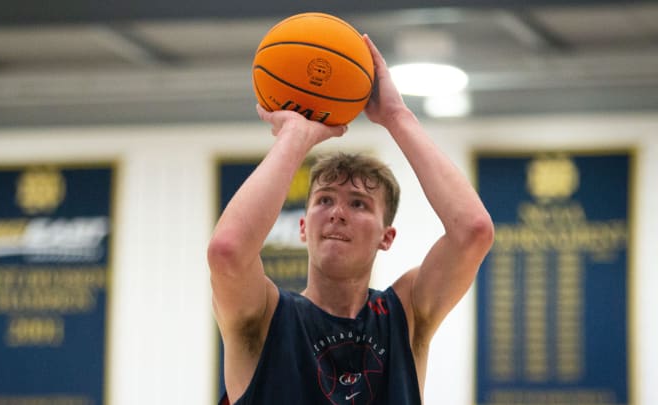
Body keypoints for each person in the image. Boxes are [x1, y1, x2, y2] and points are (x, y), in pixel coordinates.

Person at [208, 34, 494, 405]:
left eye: (358, 204)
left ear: (386, 237)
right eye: (324, 200)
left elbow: (473, 231)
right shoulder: (263, 316)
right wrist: (294, 137)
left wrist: (396, 117)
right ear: (302, 226)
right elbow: (227, 250)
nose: (338, 213)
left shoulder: (405, 315)